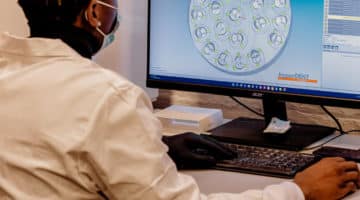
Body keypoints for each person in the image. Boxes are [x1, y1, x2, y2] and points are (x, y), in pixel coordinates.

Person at [0, 0, 358, 199]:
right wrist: (299, 192)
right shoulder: (109, 97)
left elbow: (57, 147)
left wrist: (160, 147)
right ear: (94, 14)